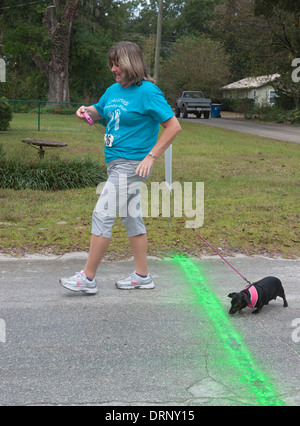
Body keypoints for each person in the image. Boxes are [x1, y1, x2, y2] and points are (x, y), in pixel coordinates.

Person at [59, 41, 181, 294]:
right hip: (114, 164)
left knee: (102, 213)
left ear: (131, 64)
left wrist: (151, 156)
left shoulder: (148, 91)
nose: (114, 69)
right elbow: (99, 111)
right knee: (131, 218)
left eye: (118, 64)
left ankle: (88, 278)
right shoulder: (113, 90)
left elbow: (173, 126)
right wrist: (84, 111)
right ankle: (142, 276)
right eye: (112, 64)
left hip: (133, 165)